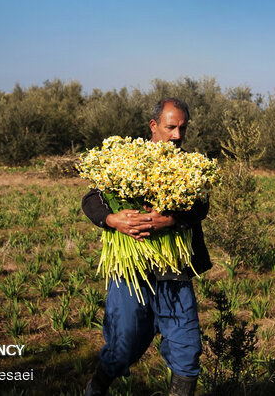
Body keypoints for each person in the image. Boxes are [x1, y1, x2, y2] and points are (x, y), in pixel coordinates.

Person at [81, 98, 212, 396]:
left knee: (187, 350)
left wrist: (172, 219)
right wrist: (112, 219)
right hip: (130, 272)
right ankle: (95, 390)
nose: (178, 135)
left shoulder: (188, 165)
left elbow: (200, 207)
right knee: (122, 347)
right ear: (154, 126)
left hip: (173, 271)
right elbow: (90, 201)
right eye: (171, 127)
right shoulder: (125, 159)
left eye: (183, 128)